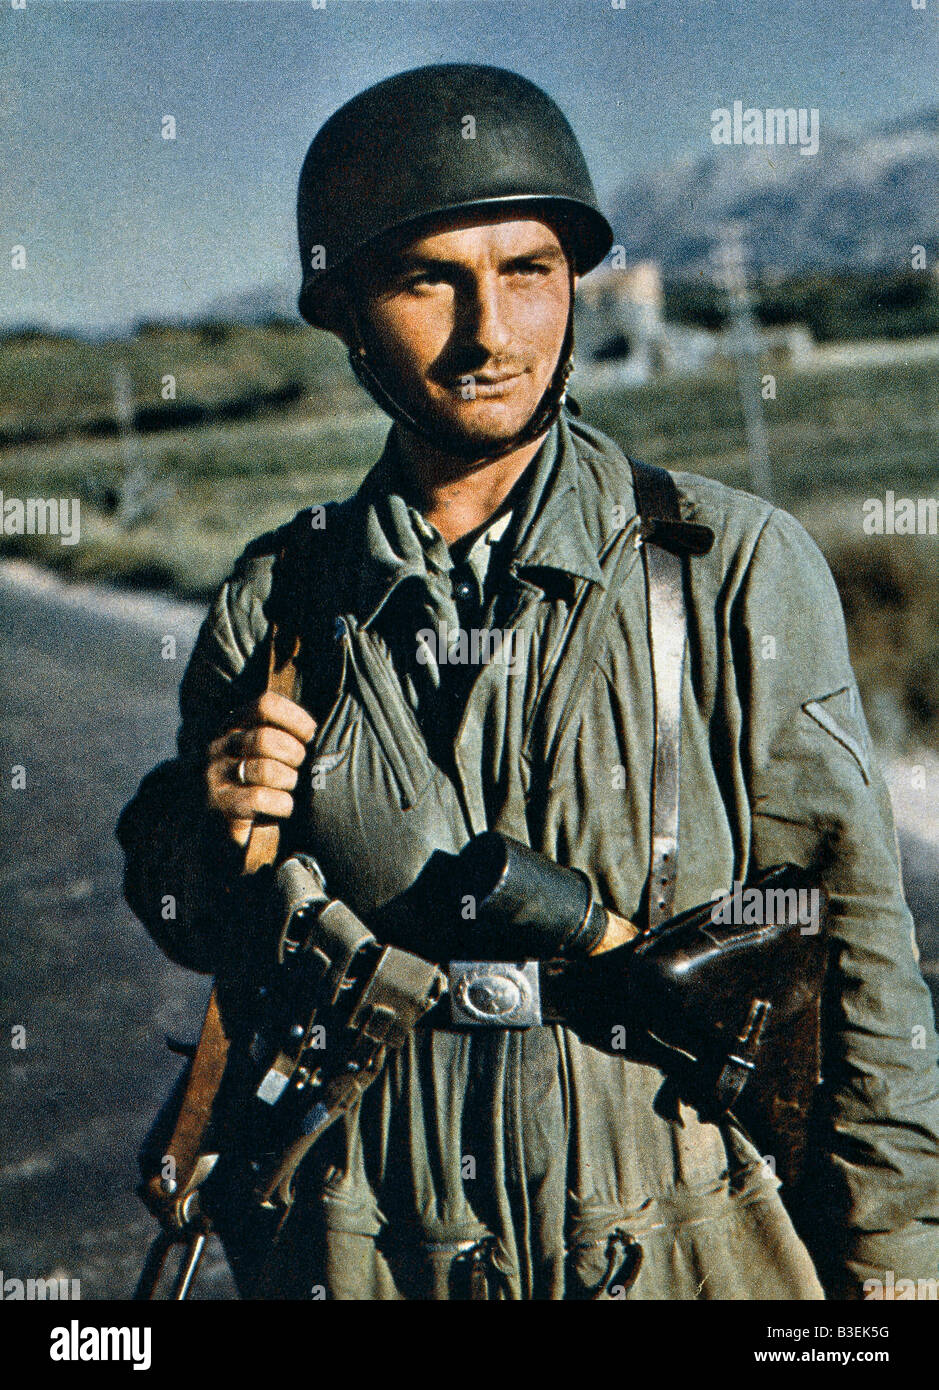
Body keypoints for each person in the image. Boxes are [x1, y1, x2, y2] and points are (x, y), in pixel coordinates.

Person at [117, 63, 939, 1300]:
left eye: (528, 272)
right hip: (366, 1244)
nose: (488, 332)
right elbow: (205, 934)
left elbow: (858, 951)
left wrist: (896, 1269)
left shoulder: (730, 572)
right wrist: (206, 824)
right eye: (427, 279)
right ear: (343, 310)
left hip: (678, 1232)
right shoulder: (278, 599)